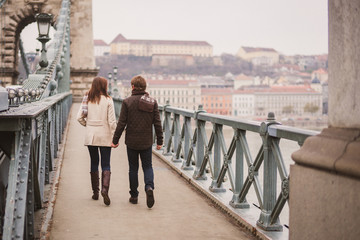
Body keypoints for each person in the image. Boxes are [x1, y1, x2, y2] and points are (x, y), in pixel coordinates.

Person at [111, 75, 163, 208]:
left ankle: (134, 196)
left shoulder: (127, 102)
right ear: (145, 87)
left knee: (133, 169)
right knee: (147, 166)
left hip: (132, 141)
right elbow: (157, 123)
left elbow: (121, 123)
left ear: (132, 87)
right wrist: (159, 141)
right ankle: (149, 187)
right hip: (146, 141)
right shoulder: (152, 101)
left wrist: (115, 140)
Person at [77, 76, 117, 206]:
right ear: (104, 86)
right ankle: (105, 190)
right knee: (106, 164)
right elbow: (112, 121)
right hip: (105, 135)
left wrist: (88, 126)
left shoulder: (87, 98)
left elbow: (79, 117)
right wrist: (115, 137)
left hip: (91, 136)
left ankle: (95, 193)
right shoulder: (108, 100)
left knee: (94, 162)